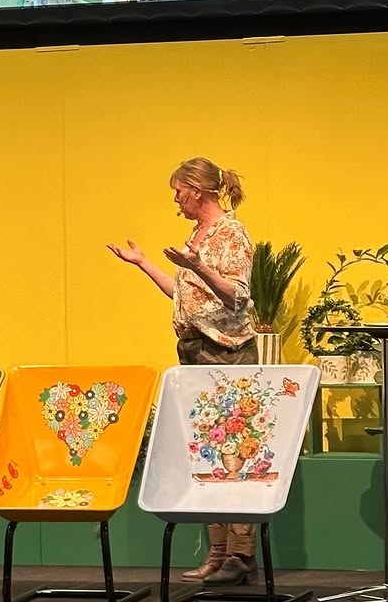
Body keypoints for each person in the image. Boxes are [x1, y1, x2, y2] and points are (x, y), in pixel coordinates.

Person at [107, 157, 259, 586]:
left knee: (232, 452)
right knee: (206, 452)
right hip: (194, 351)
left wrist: (199, 267)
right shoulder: (197, 235)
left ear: (197, 190)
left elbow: (238, 297)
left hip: (226, 354)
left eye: (178, 191)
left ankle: (241, 554)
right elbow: (183, 296)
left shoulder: (231, 233)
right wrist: (142, 263)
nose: (175, 199)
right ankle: (218, 551)